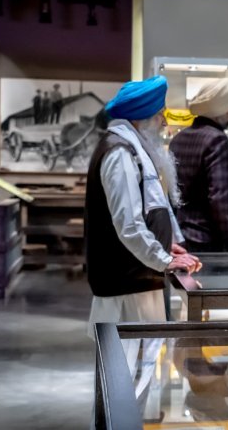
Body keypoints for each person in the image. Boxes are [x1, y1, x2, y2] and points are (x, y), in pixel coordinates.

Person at [85, 74, 201, 336]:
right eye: (160, 113)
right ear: (143, 117)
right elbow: (128, 224)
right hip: (125, 290)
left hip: (136, 283)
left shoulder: (128, 148)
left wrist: (162, 241)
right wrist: (163, 258)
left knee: (142, 369)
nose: (164, 121)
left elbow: (139, 213)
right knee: (125, 371)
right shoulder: (120, 152)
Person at [170, 77, 228, 253]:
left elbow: (172, 193)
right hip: (210, 244)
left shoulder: (178, 140)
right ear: (220, 110)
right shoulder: (217, 141)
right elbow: (221, 199)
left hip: (181, 239)